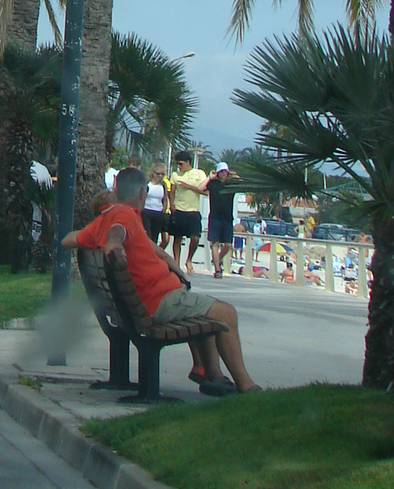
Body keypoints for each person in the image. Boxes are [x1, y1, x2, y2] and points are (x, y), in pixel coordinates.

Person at [63, 167, 260, 394]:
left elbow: (68, 240)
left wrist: (98, 237)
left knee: (203, 308)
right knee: (226, 314)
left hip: (140, 304)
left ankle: (213, 376)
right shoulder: (124, 216)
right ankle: (246, 386)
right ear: (141, 193)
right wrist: (114, 242)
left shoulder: (104, 219)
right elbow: (119, 230)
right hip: (156, 303)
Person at [170, 152, 209, 273]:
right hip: (179, 210)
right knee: (177, 238)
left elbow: (206, 192)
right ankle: (176, 264)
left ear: (188, 162)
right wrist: (172, 204)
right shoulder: (175, 174)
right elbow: (172, 190)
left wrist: (189, 186)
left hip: (193, 211)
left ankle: (189, 259)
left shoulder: (199, 173)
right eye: (177, 164)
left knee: (195, 238)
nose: (179, 167)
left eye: (181, 164)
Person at [206, 163, 238, 278]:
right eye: (222, 171)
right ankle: (217, 269)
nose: (224, 173)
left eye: (225, 171)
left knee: (228, 244)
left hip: (227, 218)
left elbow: (245, 185)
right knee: (215, 243)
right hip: (215, 217)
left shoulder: (231, 185)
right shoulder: (213, 184)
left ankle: (217, 259)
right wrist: (210, 177)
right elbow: (200, 188)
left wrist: (236, 177)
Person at [143, 160, 169, 245]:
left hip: (158, 212)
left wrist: (163, 212)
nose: (160, 176)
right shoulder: (147, 184)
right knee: (147, 235)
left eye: (162, 174)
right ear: (153, 173)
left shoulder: (163, 185)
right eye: (158, 174)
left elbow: (165, 200)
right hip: (146, 211)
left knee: (155, 237)